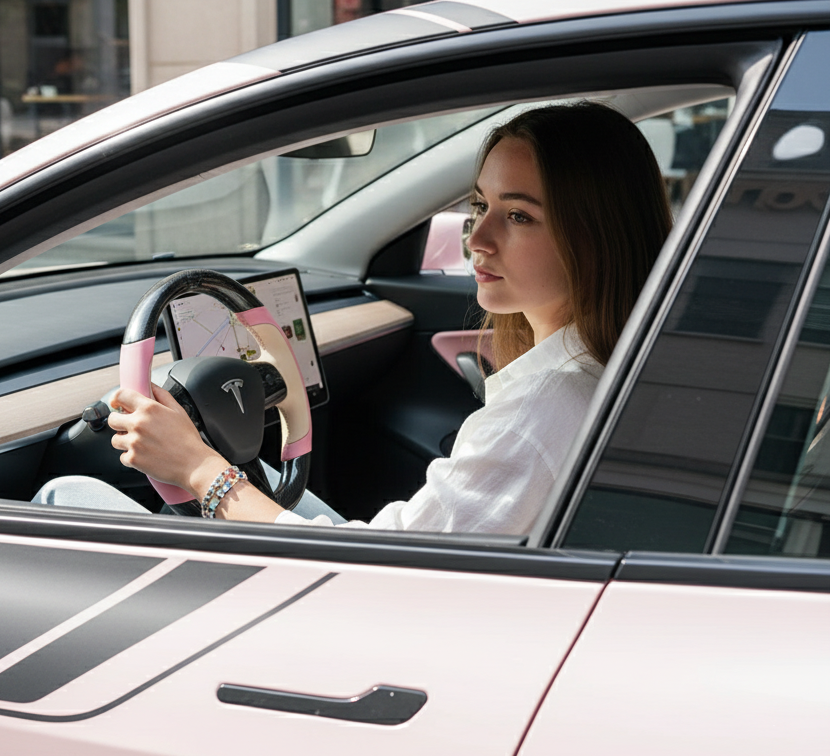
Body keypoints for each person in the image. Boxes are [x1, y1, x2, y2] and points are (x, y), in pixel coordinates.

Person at [44, 102, 673, 536]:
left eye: (518, 216)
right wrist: (214, 467)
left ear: (595, 236)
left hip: (373, 608)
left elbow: (384, 576)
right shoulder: (597, 373)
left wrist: (197, 468)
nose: (477, 238)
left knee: (62, 497)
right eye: (480, 205)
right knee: (262, 474)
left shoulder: (546, 407)